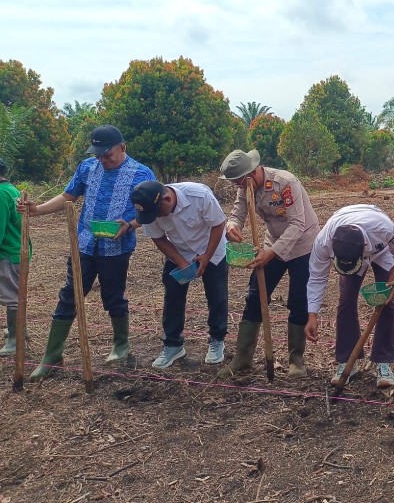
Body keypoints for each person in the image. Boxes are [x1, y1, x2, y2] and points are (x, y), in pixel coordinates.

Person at [16, 125, 156, 380]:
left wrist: (131, 225)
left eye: (108, 154)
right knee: (69, 295)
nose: (103, 159)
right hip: (84, 244)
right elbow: (68, 195)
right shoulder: (87, 167)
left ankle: (121, 344)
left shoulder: (141, 173)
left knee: (113, 295)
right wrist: (38, 209)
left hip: (117, 248)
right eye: (98, 154)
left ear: (122, 148)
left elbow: (148, 210)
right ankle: (52, 355)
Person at [217, 149, 320, 379]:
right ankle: (243, 359)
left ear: (252, 172)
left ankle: (296, 360)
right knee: (254, 297)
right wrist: (232, 226)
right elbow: (237, 213)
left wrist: (271, 253)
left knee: (298, 299)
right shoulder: (245, 187)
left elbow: (297, 223)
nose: (239, 187)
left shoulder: (286, 183)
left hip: (303, 245)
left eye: (240, 181)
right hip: (272, 243)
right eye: (235, 183)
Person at [305, 204, 394, 388]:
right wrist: (312, 314)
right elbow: (317, 276)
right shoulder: (324, 241)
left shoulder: (384, 228)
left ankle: (383, 361)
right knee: (346, 299)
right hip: (349, 247)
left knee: (386, 299)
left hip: (381, 250)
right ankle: (347, 361)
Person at [130, 180, 228, 369]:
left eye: (157, 213)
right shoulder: (151, 207)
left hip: (212, 249)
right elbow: (158, 237)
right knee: (173, 297)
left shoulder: (199, 195)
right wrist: (181, 261)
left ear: (167, 200)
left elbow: (218, 224)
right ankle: (173, 345)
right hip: (178, 251)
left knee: (217, 296)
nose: (156, 217)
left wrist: (207, 256)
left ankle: (217, 340)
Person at [0, 158, 23, 356]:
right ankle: (17, 330)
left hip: (7, 252)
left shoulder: (0, 194)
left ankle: (15, 340)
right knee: (14, 293)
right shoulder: (11, 189)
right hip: (16, 249)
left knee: (12, 297)